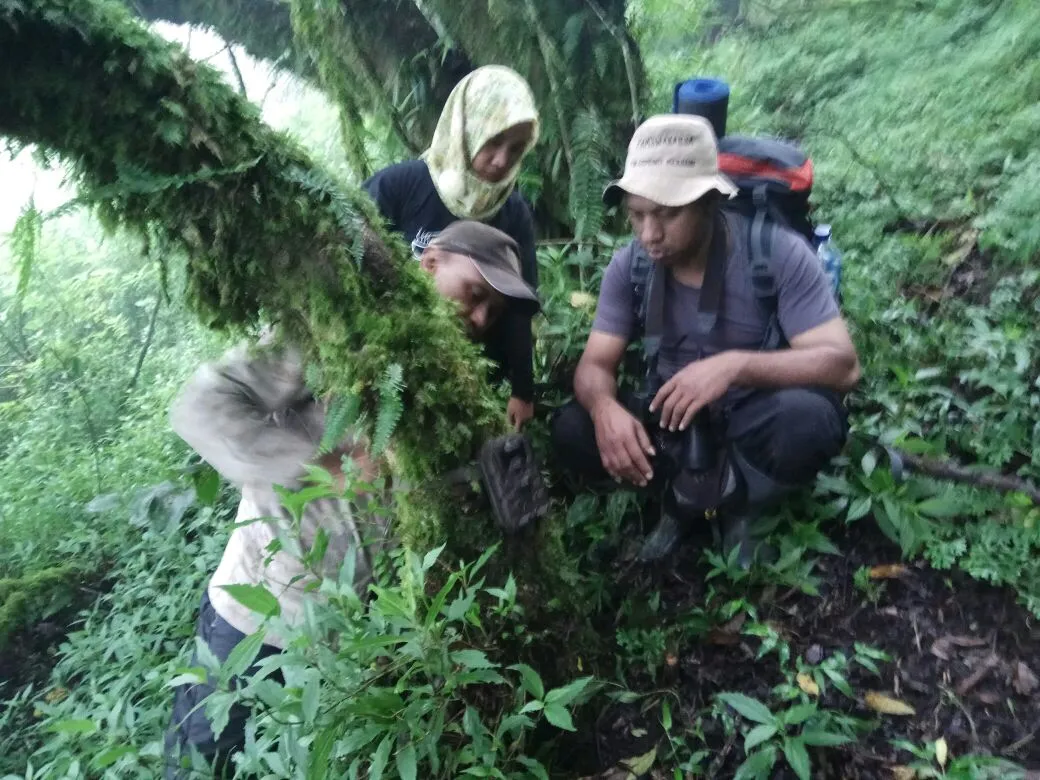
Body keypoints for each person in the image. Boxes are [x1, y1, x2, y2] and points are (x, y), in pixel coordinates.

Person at [164, 221, 539, 778]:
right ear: (431, 262)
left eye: (495, 314)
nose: (481, 319)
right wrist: (314, 463)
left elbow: (433, 490)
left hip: (347, 638)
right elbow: (200, 406)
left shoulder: (442, 385)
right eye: (477, 294)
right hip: (255, 617)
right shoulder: (333, 331)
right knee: (200, 764)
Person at [551, 115, 861, 565]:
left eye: (668, 213)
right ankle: (682, 493)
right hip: (671, 422)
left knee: (809, 419)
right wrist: (604, 412)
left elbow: (843, 366)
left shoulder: (776, 254)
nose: (650, 234)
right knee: (572, 428)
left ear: (709, 200)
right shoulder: (630, 265)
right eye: (637, 215)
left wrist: (734, 367)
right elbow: (595, 365)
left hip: (751, 417)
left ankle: (739, 500)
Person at [364, 65, 541, 431]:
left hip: (472, 379)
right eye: (493, 141)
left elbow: (520, 308)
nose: (502, 160)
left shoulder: (513, 213)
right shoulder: (400, 187)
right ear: (466, 128)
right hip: (389, 372)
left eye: (516, 149)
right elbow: (348, 258)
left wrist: (523, 389)